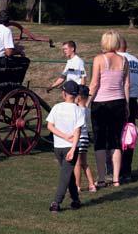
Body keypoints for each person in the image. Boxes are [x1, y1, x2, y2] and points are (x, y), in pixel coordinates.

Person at [88, 30, 130, 188]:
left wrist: (86, 103)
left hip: (101, 104)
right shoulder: (124, 60)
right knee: (115, 141)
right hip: (118, 103)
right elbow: (126, 84)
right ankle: (116, 179)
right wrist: (126, 105)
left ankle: (101, 177)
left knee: (100, 141)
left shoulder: (99, 59)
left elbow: (94, 84)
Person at [46, 80, 84, 212]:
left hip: (58, 147)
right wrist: (73, 148)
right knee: (66, 175)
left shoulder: (56, 107)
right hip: (70, 147)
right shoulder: (79, 110)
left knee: (66, 174)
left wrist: (63, 136)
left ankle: (65, 201)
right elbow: (77, 131)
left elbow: (50, 126)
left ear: (64, 93)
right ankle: (67, 201)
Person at [117, 37, 138, 182]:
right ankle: (127, 172)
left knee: (114, 136)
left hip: (117, 100)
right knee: (129, 137)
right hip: (133, 101)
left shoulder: (115, 59)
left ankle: (114, 172)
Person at [74, 85, 96, 193]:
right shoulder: (87, 110)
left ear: (78, 97)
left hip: (79, 139)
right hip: (86, 138)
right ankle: (92, 184)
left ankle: (77, 186)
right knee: (84, 163)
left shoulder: (77, 110)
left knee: (77, 163)